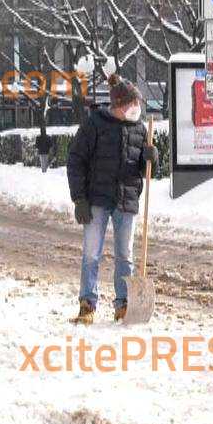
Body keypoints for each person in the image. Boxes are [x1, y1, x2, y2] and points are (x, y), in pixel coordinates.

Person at [66, 77, 153, 323]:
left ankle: (123, 305)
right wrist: (79, 199)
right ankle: (87, 305)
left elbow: (140, 168)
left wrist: (149, 158)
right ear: (119, 104)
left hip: (126, 201)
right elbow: (75, 161)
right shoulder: (94, 124)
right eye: (133, 102)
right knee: (91, 254)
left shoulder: (139, 128)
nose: (137, 106)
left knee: (125, 256)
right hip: (96, 200)